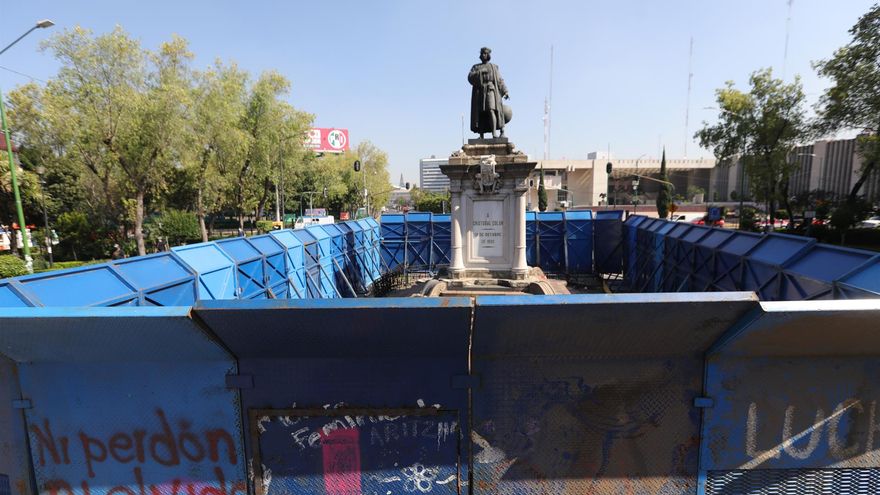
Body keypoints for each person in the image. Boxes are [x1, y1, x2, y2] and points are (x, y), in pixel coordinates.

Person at [468, 47, 510, 139]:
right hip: (480, 91)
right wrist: (480, 72)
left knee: (491, 110)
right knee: (481, 112)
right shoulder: (476, 67)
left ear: (488, 55)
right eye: (482, 53)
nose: (482, 55)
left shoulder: (494, 67)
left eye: (484, 53)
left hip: (491, 90)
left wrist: (505, 91)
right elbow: (470, 77)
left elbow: (500, 80)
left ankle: (494, 132)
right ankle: (481, 135)